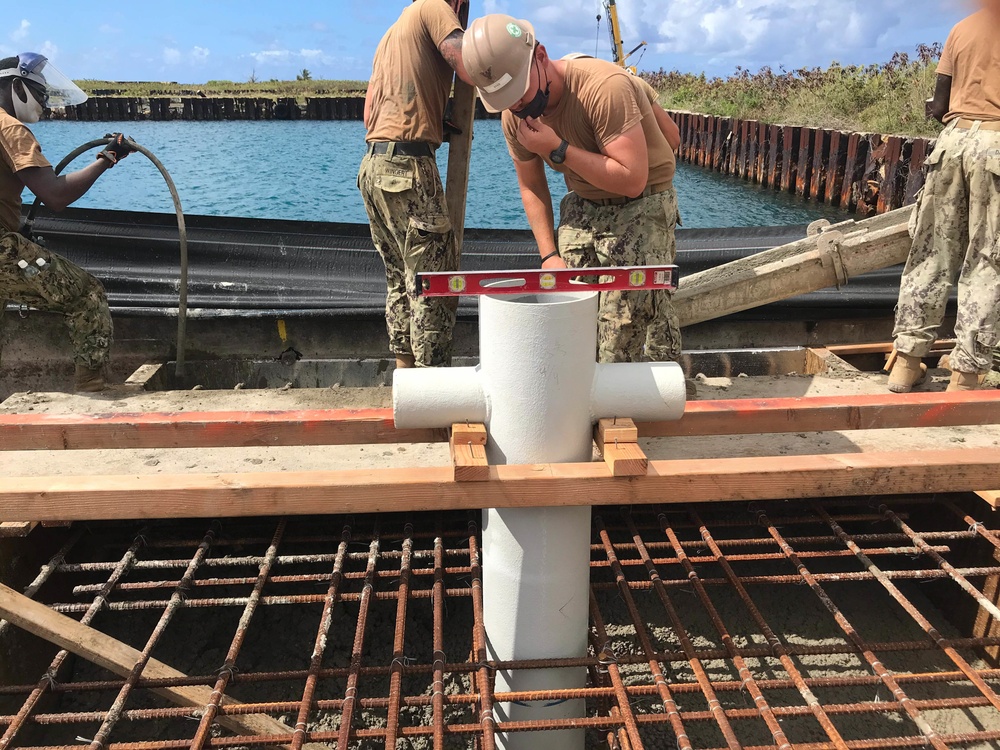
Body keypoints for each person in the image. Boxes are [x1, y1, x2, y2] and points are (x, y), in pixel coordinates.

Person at [462, 15, 682, 364]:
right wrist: (550, 256)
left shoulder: (604, 88)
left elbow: (632, 178)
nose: (516, 106)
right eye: (505, 99)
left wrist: (557, 148)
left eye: (519, 91)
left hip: (642, 201)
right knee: (570, 320)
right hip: (583, 202)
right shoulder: (514, 116)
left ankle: (656, 373)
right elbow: (531, 186)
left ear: (541, 56)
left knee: (619, 339)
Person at [0, 52, 136, 392]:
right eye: (40, 93)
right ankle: (92, 387)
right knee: (85, 294)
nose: (44, 103)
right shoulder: (11, 128)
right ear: (16, 86)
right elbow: (56, 195)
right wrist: (108, 157)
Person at [887, 1, 1000, 393]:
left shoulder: (963, 28)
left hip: (951, 143)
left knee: (930, 253)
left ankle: (906, 362)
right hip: (996, 146)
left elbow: (939, 104)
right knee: (986, 260)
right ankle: (966, 377)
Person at [358, 0, 474, 370]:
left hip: (373, 166)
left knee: (399, 281)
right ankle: (433, 394)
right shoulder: (436, 8)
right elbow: (466, 64)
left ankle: (406, 381)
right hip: (409, 167)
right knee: (432, 286)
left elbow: (369, 113)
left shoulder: (391, 34)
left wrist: (432, 116)